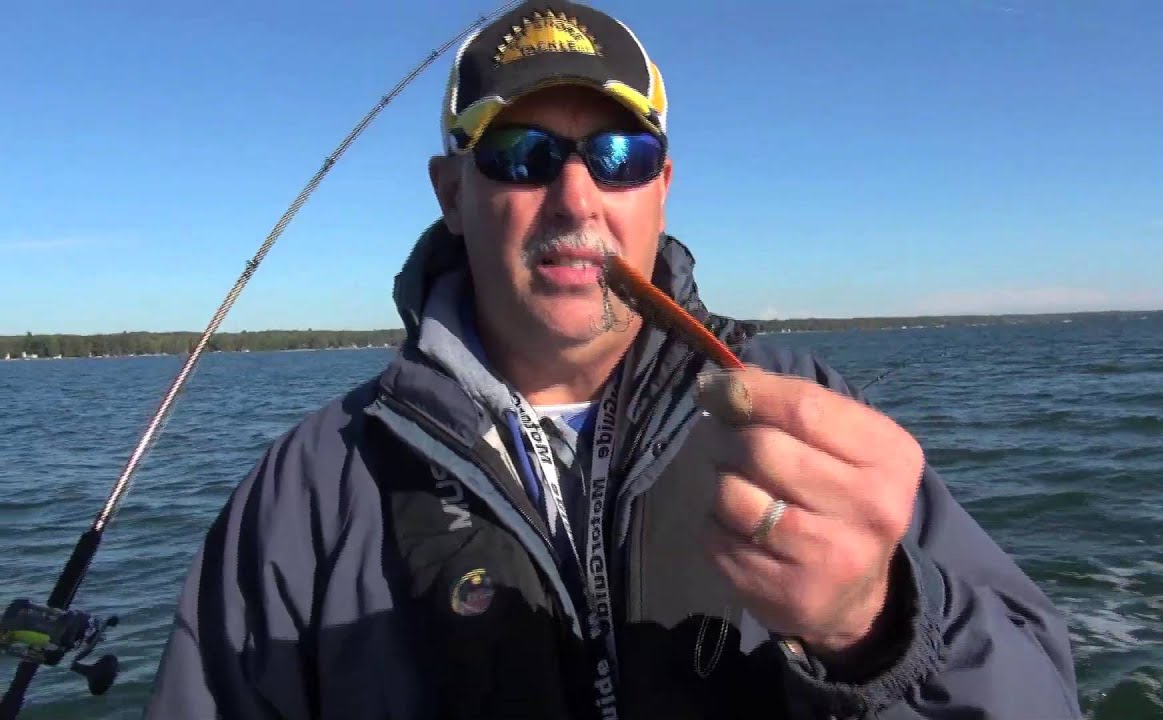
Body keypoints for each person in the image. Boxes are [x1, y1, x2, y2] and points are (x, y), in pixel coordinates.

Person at [146, 2, 1082, 718]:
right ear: (452, 193)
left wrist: (877, 628)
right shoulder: (307, 492)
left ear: (662, 189)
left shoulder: (807, 412)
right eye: (521, 154)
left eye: (620, 154)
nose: (576, 195)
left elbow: (1039, 689)